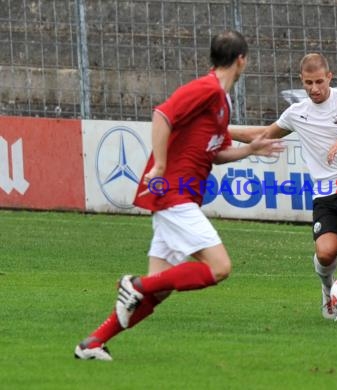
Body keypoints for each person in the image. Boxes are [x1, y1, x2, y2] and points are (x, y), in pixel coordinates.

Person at [74, 30, 285, 361]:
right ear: (242, 60)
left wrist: (251, 149)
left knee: (162, 289)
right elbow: (162, 114)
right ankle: (136, 285)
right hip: (173, 194)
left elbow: (216, 153)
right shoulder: (206, 88)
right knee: (219, 268)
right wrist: (159, 164)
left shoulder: (221, 101)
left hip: (178, 197)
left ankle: (93, 343)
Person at [230, 53, 337, 322]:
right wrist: (220, 130)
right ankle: (328, 294)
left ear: (330, 78)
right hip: (324, 194)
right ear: (301, 80)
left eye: (320, 82)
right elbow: (263, 135)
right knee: (325, 253)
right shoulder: (297, 113)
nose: (314, 89)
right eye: (308, 83)